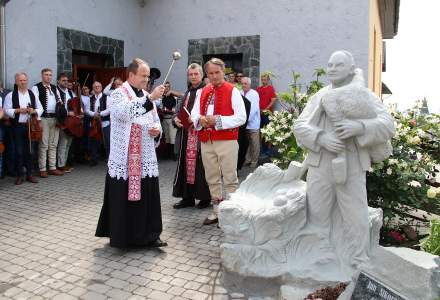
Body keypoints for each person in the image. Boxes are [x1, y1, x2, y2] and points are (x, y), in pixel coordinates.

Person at [294, 50, 395, 266]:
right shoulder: (320, 96)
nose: (331, 69)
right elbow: (300, 125)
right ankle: (320, 253)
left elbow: (387, 125)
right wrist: (321, 138)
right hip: (320, 163)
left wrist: (358, 127)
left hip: (352, 164)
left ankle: (359, 259)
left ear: (351, 69)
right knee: (318, 211)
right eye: (329, 65)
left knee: (355, 213)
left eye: (338, 65)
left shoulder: (364, 94)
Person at [96, 58, 167, 248]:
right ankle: (124, 236)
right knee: (124, 195)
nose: (146, 79)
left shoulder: (145, 94)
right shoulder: (118, 94)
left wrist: (157, 131)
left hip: (145, 153)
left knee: (148, 194)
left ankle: (151, 235)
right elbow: (123, 113)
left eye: (147, 76)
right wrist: (150, 99)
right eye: (143, 75)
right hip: (125, 155)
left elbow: (155, 120)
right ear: (131, 75)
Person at [191, 58, 246, 225]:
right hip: (206, 140)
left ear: (223, 72)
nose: (214, 76)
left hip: (226, 140)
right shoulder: (202, 91)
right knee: (212, 177)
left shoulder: (233, 90)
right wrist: (199, 119)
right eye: (210, 73)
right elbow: (194, 114)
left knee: (230, 177)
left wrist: (218, 121)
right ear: (207, 74)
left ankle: (234, 214)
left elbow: (241, 117)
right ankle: (216, 211)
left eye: (217, 72)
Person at [172, 63, 211, 209]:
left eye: (196, 74)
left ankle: (205, 198)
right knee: (185, 167)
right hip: (185, 136)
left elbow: (210, 113)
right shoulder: (188, 92)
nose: (193, 77)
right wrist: (176, 119)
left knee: (201, 168)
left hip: (200, 136)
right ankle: (187, 197)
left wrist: (197, 119)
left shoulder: (207, 91)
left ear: (202, 75)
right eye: (191, 74)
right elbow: (179, 111)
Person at [4, 73, 43, 185]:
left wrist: (33, 111)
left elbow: (40, 108)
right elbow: (6, 110)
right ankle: (20, 175)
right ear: (16, 82)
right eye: (20, 80)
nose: (23, 82)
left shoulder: (32, 94)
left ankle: (30, 174)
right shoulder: (11, 95)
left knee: (30, 151)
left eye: (25, 80)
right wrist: (17, 110)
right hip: (17, 127)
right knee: (19, 151)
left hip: (31, 127)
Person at [32, 68, 64, 177]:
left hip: (55, 119)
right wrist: (38, 120)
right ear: (42, 76)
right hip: (43, 119)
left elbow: (60, 102)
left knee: (53, 144)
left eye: (50, 75)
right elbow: (34, 104)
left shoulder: (55, 88)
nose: (48, 77)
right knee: (43, 144)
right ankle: (42, 168)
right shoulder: (36, 87)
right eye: (46, 74)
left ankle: (52, 167)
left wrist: (61, 113)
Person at [85, 81, 109, 165]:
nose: (97, 88)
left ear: (101, 87)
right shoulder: (90, 98)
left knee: (107, 141)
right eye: (95, 86)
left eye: (98, 86)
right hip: (94, 122)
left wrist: (100, 114)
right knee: (94, 141)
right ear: (93, 88)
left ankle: (109, 159)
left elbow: (109, 109)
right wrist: (93, 114)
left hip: (105, 122)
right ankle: (94, 159)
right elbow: (87, 110)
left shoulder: (107, 97)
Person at [56, 73, 75, 173]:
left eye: (67, 80)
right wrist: (68, 112)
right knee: (63, 144)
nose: (66, 82)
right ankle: (60, 165)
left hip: (71, 121)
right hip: (63, 120)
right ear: (58, 81)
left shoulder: (70, 92)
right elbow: (58, 107)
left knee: (68, 143)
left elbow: (75, 104)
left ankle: (64, 163)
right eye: (63, 80)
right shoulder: (56, 91)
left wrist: (78, 112)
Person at [241, 77, 261, 168]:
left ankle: (254, 160)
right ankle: (247, 159)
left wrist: (245, 120)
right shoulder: (240, 93)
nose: (243, 85)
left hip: (252, 123)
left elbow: (253, 109)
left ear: (249, 84)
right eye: (242, 83)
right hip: (243, 123)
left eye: (245, 83)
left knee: (254, 143)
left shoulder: (254, 94)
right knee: (247, 143)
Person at [257, 73, 277, 156]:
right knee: (261, 131)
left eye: (265, 79)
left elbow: (273, 100)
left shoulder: (270, 88)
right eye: (262, 79)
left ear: (268, 80)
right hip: (259, 113)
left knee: (268, 131)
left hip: (267, 113)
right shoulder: (258, 89)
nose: (263, 81)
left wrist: (266, 109)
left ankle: (268, 149)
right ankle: (262, 148)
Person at [160, 81, 178, 159]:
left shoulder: (174, 97)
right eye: (165, 86)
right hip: (164, 119)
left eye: (168, 87)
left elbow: (175, 109)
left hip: (171, 119)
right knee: (166, 137)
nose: (166, 88)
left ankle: (173, 154)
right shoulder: (161, 97)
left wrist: (170, 111)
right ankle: (168, 154)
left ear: (169, 88)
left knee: (172, 137)